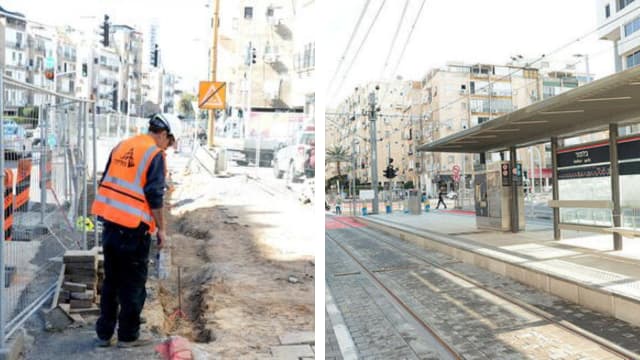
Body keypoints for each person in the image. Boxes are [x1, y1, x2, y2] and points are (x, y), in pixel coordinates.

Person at [91, 113, 173, 348]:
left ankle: (104, 334)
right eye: (169, 143)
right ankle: (128, 336)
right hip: (134, 229)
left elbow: (107, 179)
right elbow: (155, 196)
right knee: (133, 285)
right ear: (164, 135)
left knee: (111, 281)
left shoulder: (122, 146)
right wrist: (161, 229)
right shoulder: (154, 155)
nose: (167, 148)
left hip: (110, 224)